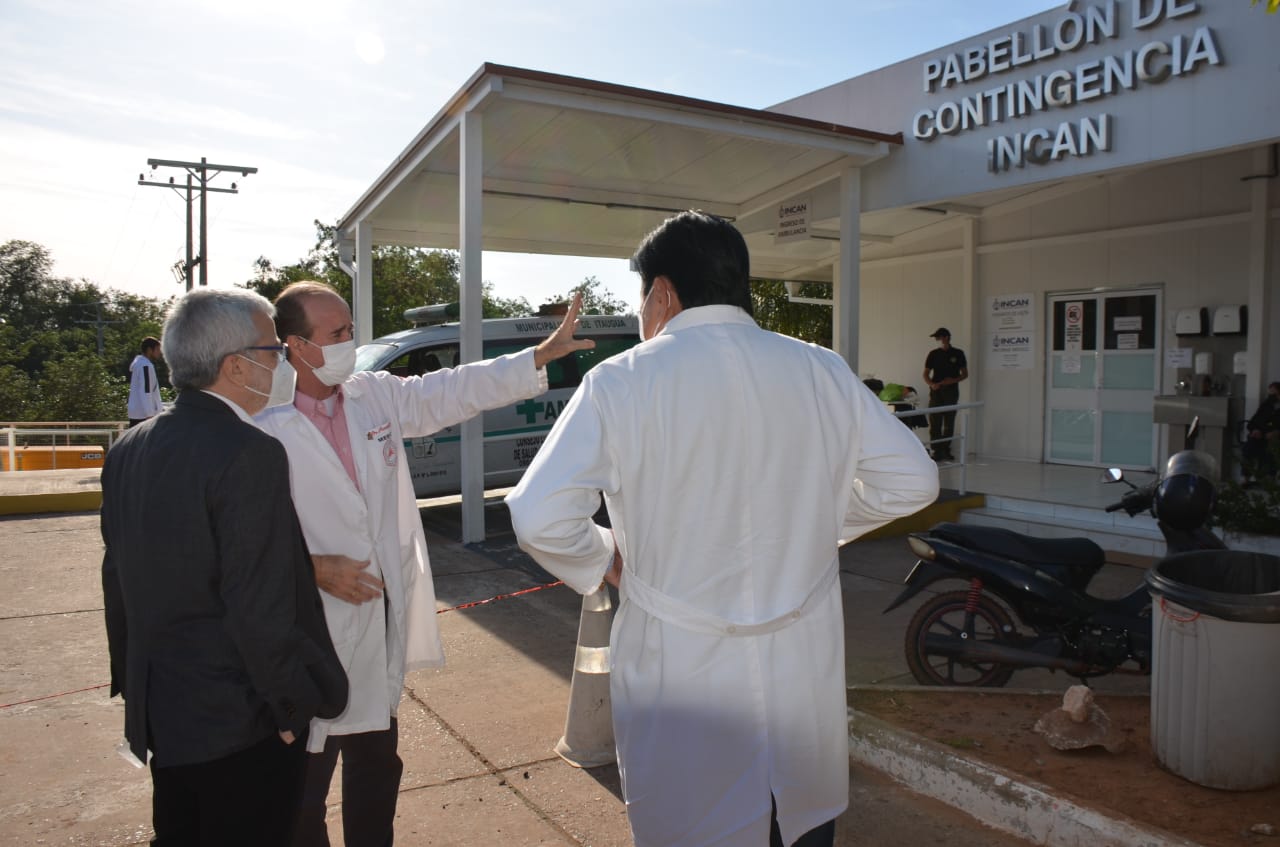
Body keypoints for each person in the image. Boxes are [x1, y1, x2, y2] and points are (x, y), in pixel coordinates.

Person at [505, 211, 940, 847]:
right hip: (799, 659)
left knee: (694, 821)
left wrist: (603, 558)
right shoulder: (820, 369)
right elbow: (914, 482)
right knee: (798, 819)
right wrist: (812, 525)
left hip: (681, 671)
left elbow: (537, 513)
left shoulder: (624, 380)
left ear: (661, 292)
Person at [254, 281, 594, 847]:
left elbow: (451, 389)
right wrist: (310, 568)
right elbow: (243, 533)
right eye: (336, 334)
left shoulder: (373, 395)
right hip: (310, 628)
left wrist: (537, 357)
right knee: (304, 787)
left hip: (377, 610)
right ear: (297, 345)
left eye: (350, 330)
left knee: (376, 766)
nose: (349, 342)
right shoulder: (263, 421)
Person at [100, 288, 348, 846]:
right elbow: (260, 603)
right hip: (238, 723)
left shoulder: (130, 446)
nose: (284, 361)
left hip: (167, 713)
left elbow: (117, 581)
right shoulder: (248, 451)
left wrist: (138, 689)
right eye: (274, 350)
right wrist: (287, 707)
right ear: (237, 366)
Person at [922, 327, 968, 462]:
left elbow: (965, 374)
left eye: (939, 337)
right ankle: (936, 450)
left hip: (951, 391)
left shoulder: (958, 353)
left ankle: (946, 450)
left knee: (949, 421)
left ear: (946, 337)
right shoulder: (933, 354)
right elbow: (925, 374)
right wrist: (931, 384)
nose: (937, 340)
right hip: (936, 390)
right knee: (935, 421)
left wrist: (952, 381)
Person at [1242, 381, 1280, 481]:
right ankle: (1246, 478)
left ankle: (1269, 478)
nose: (1271, 397)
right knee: (1248, 448)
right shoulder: (1266, 405)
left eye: (1274, 394)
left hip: (1274, 437)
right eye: (1270, 394)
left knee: (1271, 448)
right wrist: (1255, 430)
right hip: (1260, 435)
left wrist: (1276, 432)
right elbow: (1253, 422)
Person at [127, 336, 163, 426]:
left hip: (137, 413)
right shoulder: (145, 366)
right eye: (157, 349)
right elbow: (146, 390)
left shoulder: (138, 364)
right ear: (149, 350)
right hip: (143, 415)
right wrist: (149, 414)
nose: (159, 352)